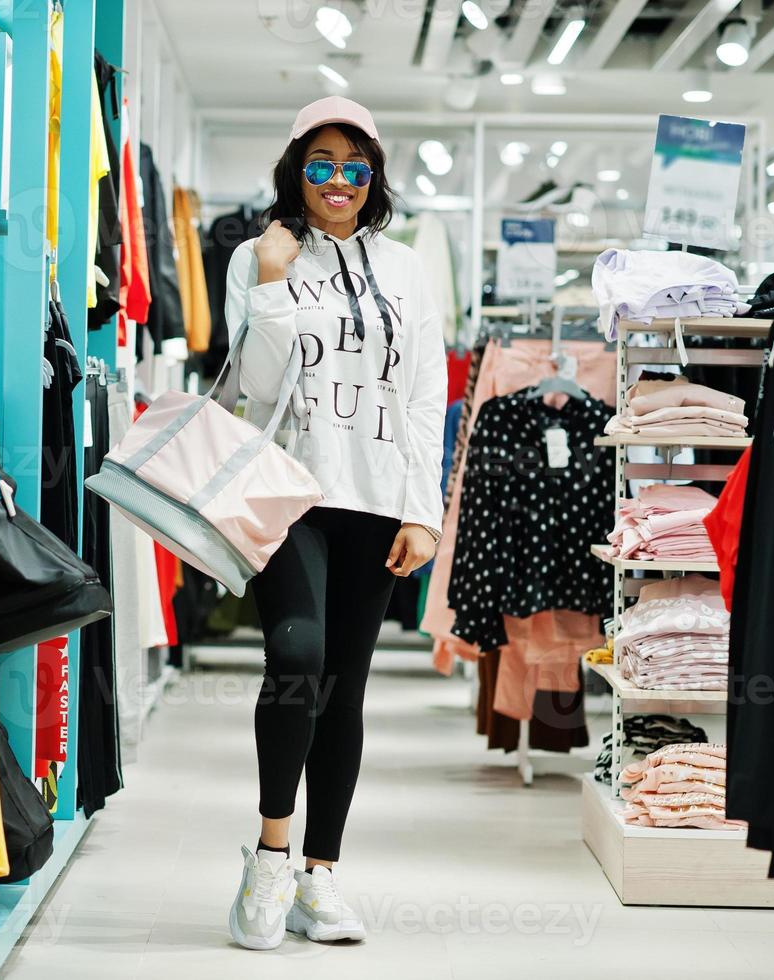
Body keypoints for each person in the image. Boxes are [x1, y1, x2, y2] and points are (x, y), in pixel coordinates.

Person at [222, 96, 447, 951]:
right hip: (287, 493)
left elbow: (427, 394)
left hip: (378, 496)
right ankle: (270, 853)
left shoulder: (408, 269)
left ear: (374, 176)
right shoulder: (257, 256)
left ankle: (321, 875)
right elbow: (252, 380)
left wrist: (422, 513)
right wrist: (275, 282)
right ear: (295, 171)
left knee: (344, 688)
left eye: (355, 167)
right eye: (320, 164)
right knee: (297, 655)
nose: (339, 182)